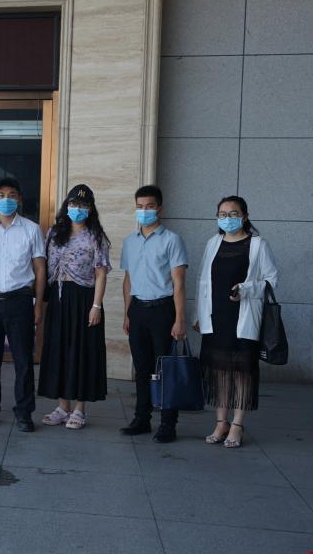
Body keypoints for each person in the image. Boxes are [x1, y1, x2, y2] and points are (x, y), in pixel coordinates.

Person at [194, 196, 277, 448]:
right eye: (222, 214)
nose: (227, 218)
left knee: (242, 372)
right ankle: (221, 422)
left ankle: (237, 425)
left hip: (243, 317)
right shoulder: (213, 243)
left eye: (233, 213)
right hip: (216, 317)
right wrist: (199, 314)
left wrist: (246, 289)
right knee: (219, 370)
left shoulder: (258, 245)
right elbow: (203, 281)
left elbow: (271, 280)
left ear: (244, 216)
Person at [0, 178, 46, 432]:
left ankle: (24, 412)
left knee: (23, 360)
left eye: (12, 195)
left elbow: (40, 268)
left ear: (19, 200)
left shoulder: (31, 229)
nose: (6, 199)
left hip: (20, 300)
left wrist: (38, 304)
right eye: (1, 195)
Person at [37, 184, 111, 429]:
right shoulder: (54, 233)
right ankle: (62, 406)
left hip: (84, 299)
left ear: (90, 209)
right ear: (66, 205)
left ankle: (79, 409)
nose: (77, 209)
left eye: (82, 205)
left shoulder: (96, 237)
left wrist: (96, 306)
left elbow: (101, 273)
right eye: (73, 204)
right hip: (59, 298)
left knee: (82, 352)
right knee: (59, 349)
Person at [120, 185, 189, 443]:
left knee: (165, 369)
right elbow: (128, 280)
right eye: (139, 207)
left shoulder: (172, 240)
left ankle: (168, 424)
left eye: (149, 206)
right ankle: (142, 419)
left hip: (163, 310)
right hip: (137, 310)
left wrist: (179, 319)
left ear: (160, 208)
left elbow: (179, 283)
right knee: (142, 369)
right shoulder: (130, 242)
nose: (144, 211)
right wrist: (127, 313)